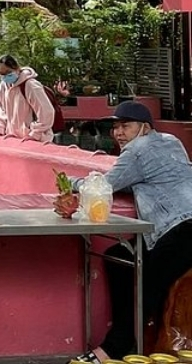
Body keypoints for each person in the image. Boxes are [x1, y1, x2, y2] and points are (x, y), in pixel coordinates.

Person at [70, 102, 192, 364]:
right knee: (120, 257)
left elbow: (104, 185)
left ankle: (113, 348)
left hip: (181, 228)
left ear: (145, 128)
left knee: (148, 286)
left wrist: (70, 182)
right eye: (115, 127)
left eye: (126, 126)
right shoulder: (172, 141)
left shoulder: (138, 149)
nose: (118, 133)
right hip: (177, 228)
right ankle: (137, 340)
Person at [0, 54, 55, 143]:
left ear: (17, 69)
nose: (5, 77)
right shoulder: (4, 86)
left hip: (35, 139)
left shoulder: (31, 85)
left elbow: (46, 112)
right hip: (13, 137)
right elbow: (2, 109)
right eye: (2, 74)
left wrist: (35, 134)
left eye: (8, 72)